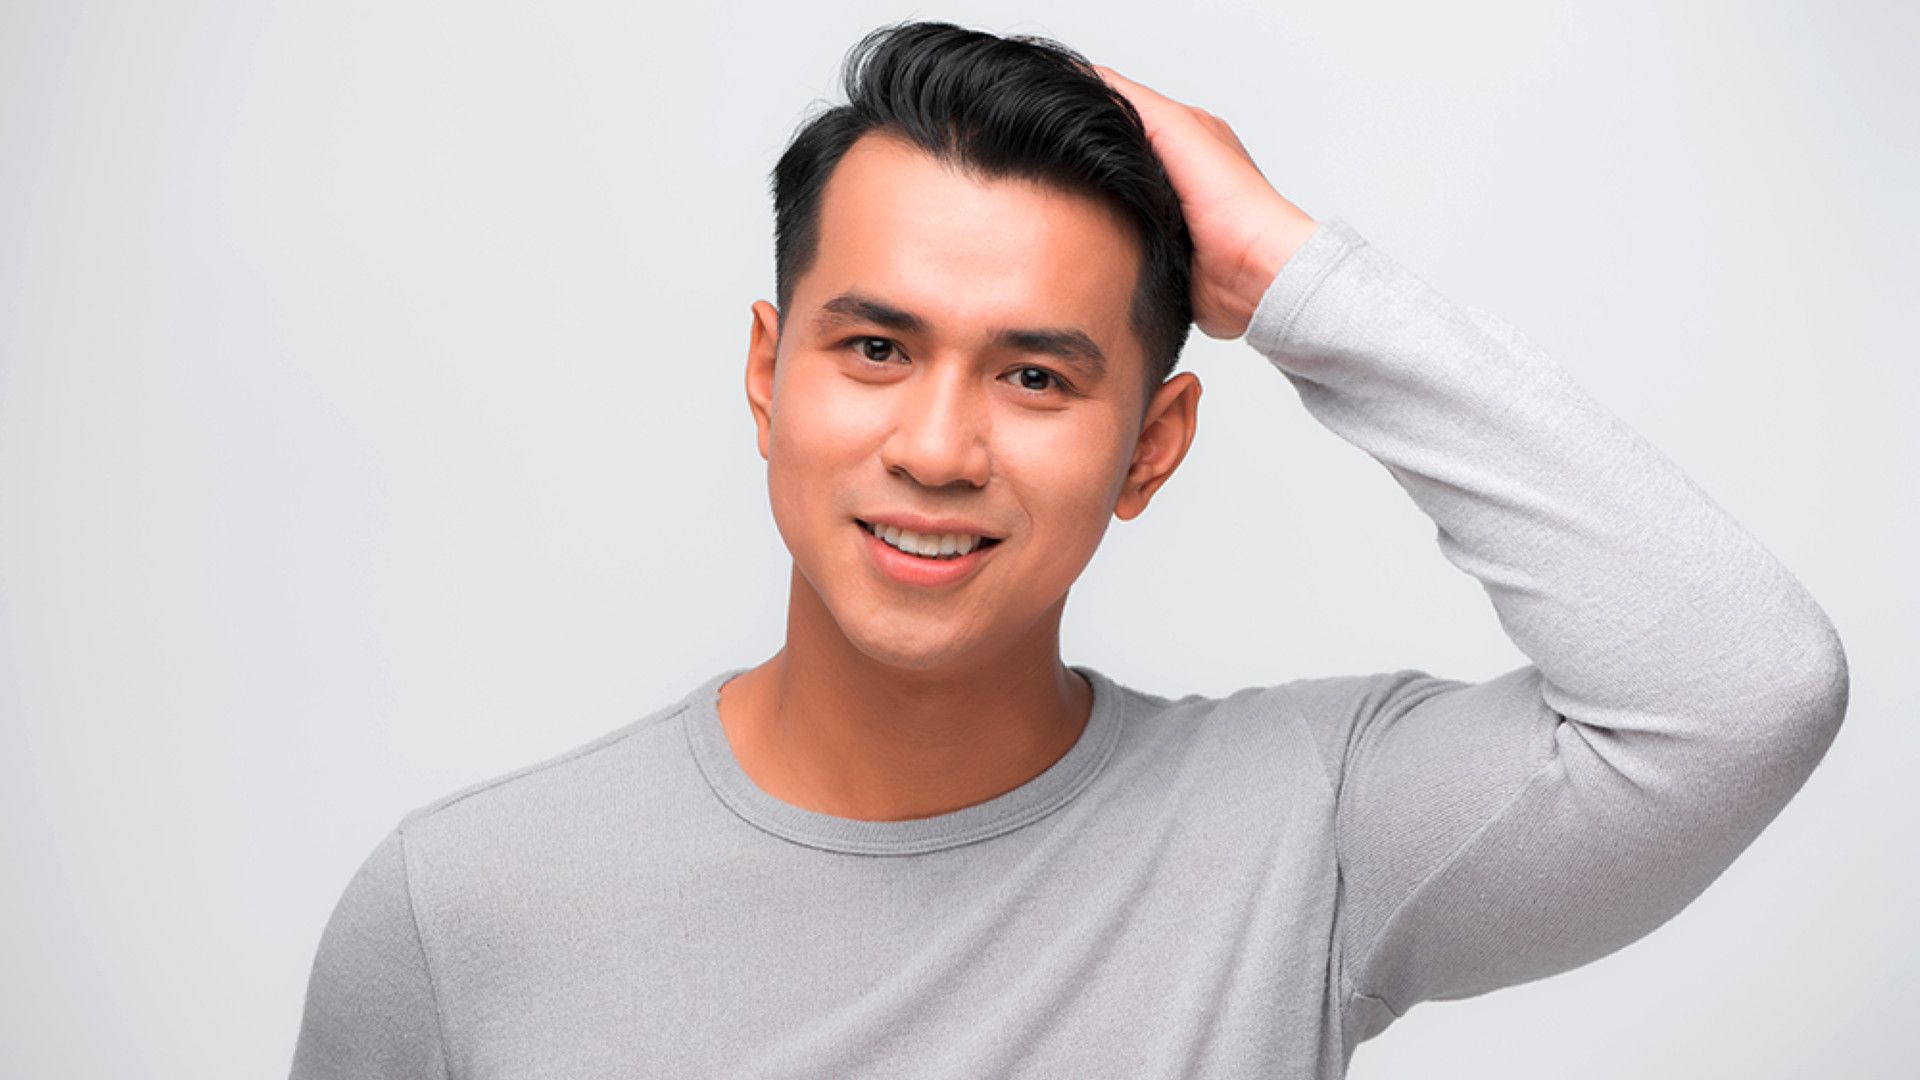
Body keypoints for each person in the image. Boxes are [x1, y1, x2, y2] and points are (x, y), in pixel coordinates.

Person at [289, 20, 1849, 1079]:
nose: (939, 447)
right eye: (876, 348)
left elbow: (1742, 688)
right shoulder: (463, 908)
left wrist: (1288, 275)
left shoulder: (1309, 835)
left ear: (1150, 448)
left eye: (1035, 376)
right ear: (768, 375)